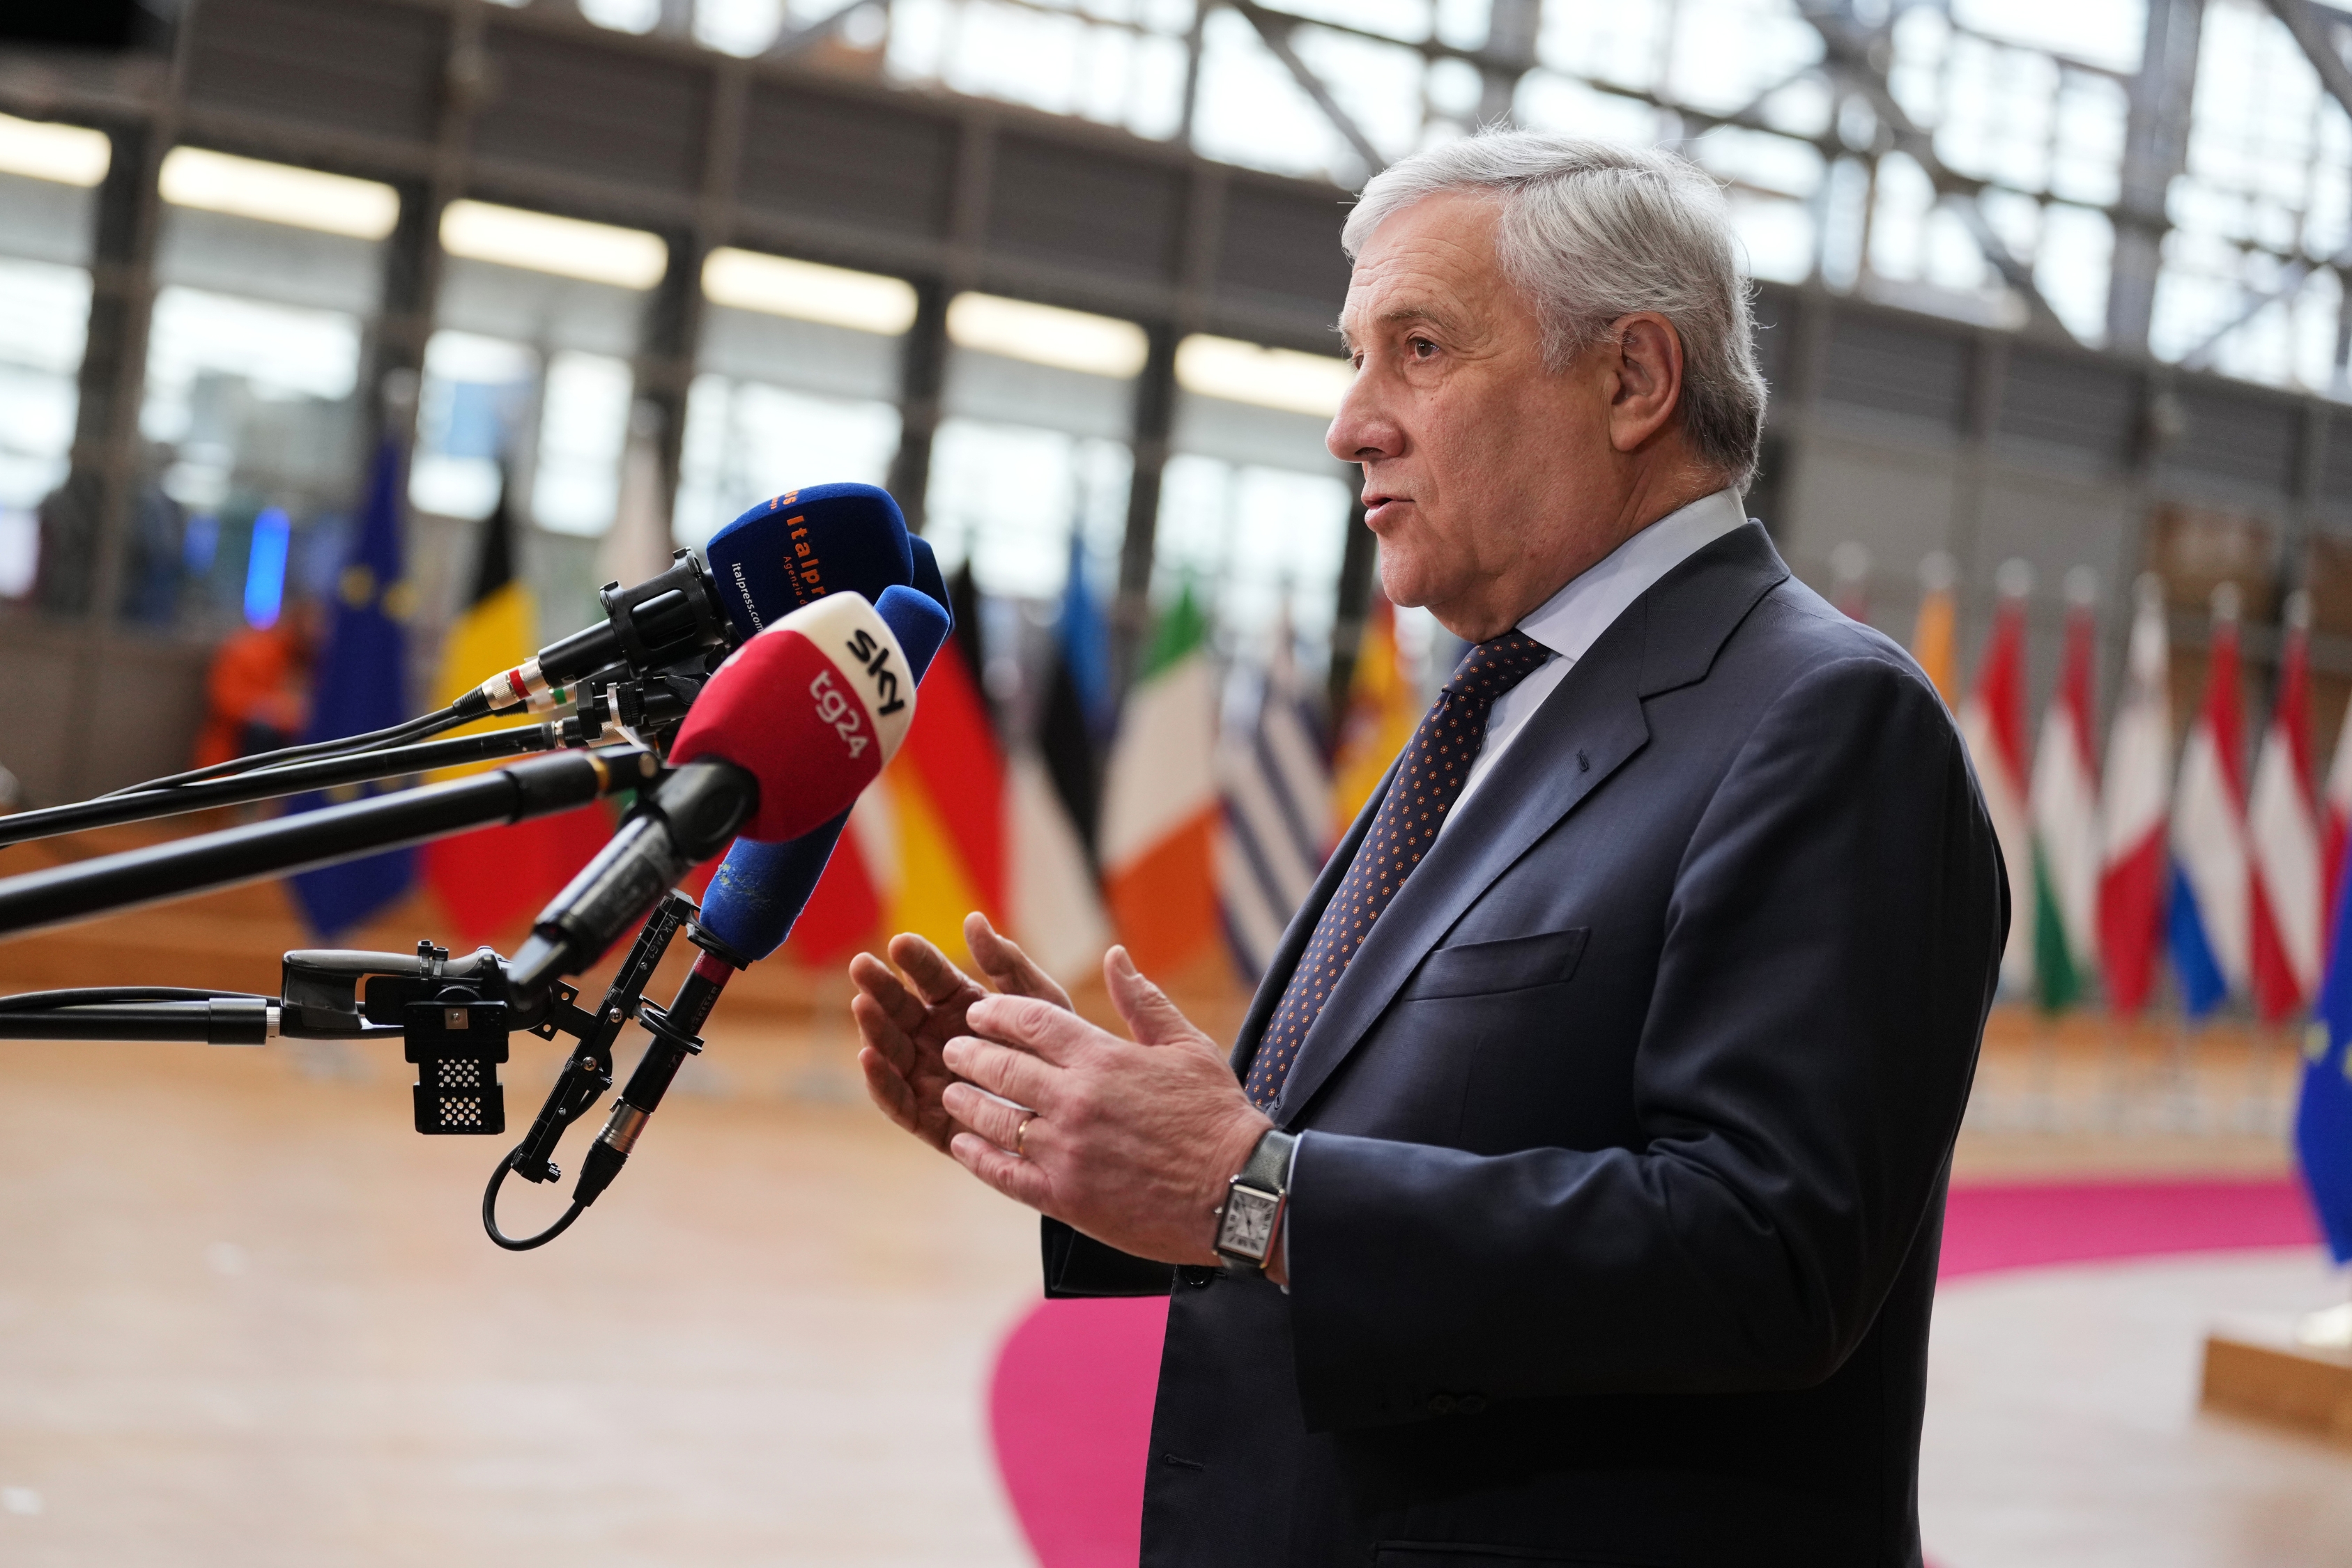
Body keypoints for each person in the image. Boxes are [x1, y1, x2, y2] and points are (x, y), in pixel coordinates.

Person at [851, 132, 2005, 1567]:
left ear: (1632, 380)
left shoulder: (1825, 720)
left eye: (1417, 349)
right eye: (1354, 356)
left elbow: (1763, 1255)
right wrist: (1092, 1139)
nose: (1349, 422)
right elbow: (1357, 1156)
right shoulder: (1500, 693)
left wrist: (1251, 1188)